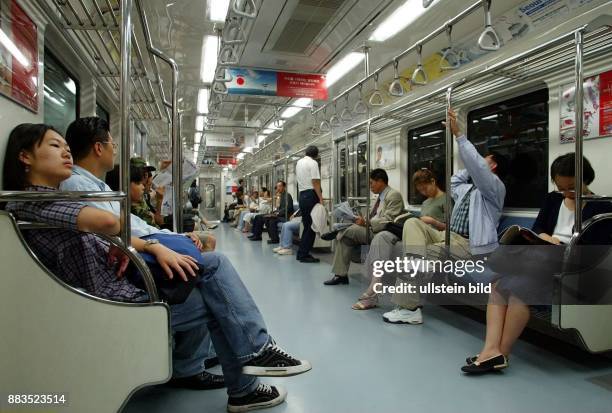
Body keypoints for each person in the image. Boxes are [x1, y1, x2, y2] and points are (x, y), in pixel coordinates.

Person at [4, 123, 311, 412]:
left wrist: (124, 245)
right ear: (25, 156)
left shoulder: (48, 200)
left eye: (66, 145)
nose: (66, 151)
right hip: (110, 300)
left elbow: (107, 232)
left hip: (110, 286)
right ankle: (252, 365)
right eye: (55, 145)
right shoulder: (38, 201)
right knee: (216, 279)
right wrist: (146, 244)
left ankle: (250, 370)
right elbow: (109, 223)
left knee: (216, 287)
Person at [461, 153, 612, 374]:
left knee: (522, 270)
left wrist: (562, 245)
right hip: (544, 258)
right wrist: (545, 237)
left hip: (572, 263)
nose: (566, 193)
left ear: (585, 180)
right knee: (500, 287)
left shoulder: (601, 208)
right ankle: (492, 350)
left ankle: (498, 353)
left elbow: (594, 250)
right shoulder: (552, 199)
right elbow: (540, 226)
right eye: (561, 187)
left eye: (571, 187)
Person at [383, 109, 508, 325]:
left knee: (422, 256)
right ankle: (410, 298)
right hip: (449, 236)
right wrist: (470, 168)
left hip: (469, 245)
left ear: (493, 166)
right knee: (412, 223)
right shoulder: (468, 189)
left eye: (483, 160)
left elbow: (478, 168)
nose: (478, 163)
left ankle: (409, 307)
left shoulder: (495, 189)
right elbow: (454, 181)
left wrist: (459, 135)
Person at [352, 168, 447, 309]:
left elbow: (451, 229)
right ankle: (375, 284)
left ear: (433, 181)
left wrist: (433, 221)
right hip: (415, 231)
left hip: (432, 235)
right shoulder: (426, 203)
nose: (423, 192)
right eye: (420, 190)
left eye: (425, 188)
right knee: (381, 236)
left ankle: (374, 293)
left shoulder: (445, 199)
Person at [324, 168, 405, 286]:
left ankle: (337, 232)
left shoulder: (394, 195)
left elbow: (388, 220)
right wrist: (361, 219)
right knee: (345, 238)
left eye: (371, 183)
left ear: (380, 181)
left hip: (381, 233)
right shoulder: (378, 197)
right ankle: (340, 275)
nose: (370, 186)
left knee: (346, 231)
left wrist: (367, 223)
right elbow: (372, 216)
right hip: (371, 229)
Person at [295, 145, 323, 263]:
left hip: (302, 195)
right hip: (311, 195)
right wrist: (320, 198)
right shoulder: (313, 163)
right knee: (312, 226)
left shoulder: (299, 162)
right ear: (316, 155)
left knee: (307, 225)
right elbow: (315, 181)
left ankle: (302, 252)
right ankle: (304, 254)